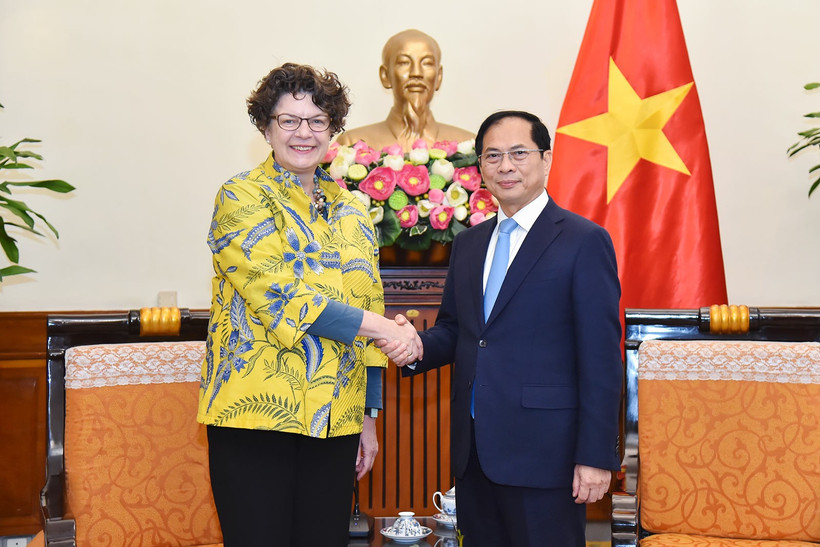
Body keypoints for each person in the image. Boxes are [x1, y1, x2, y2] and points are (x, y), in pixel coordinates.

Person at [197, 63, 422, 547]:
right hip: (255, 413)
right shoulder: (241, 197)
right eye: (289, 120)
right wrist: (384, 329)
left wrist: (367, 417)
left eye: (317, 121)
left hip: (336, 415)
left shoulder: (355, 208)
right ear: (265, 126)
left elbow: (368, 297)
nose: (304, 133)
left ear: (333, 130)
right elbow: (282, 298)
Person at [382, 111, 622, 545]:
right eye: (492, 155)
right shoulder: (470, 243)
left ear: (546, 160)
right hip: (474, 453)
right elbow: (459, 331)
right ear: (480, 167)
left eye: (518, 153)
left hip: (548, 456)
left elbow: (602, 358)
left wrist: (596, 456)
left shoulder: (583, 241)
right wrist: (416, 345)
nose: (505, 166)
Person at [336, 29, 474, 151]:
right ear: (385, 76)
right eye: (404, 63)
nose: (416, 73)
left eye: (427, 63)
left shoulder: (468, 145)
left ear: (439, 76)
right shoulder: (352, 145)